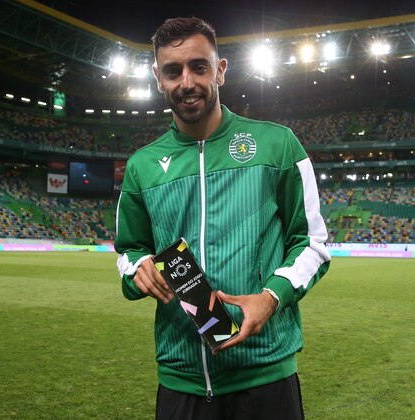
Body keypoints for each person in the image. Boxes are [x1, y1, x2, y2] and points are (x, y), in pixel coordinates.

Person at [114, 17, 331, 419]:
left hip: (266, 378)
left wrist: (271, 298)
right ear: (158, 79)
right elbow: (128, 250)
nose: (187, 82)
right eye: (172, 71)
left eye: (199, 66)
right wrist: (137, 268)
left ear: (221, 70)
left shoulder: (277, 145)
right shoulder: (142, 166)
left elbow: (313, 244)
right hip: (181, 382)